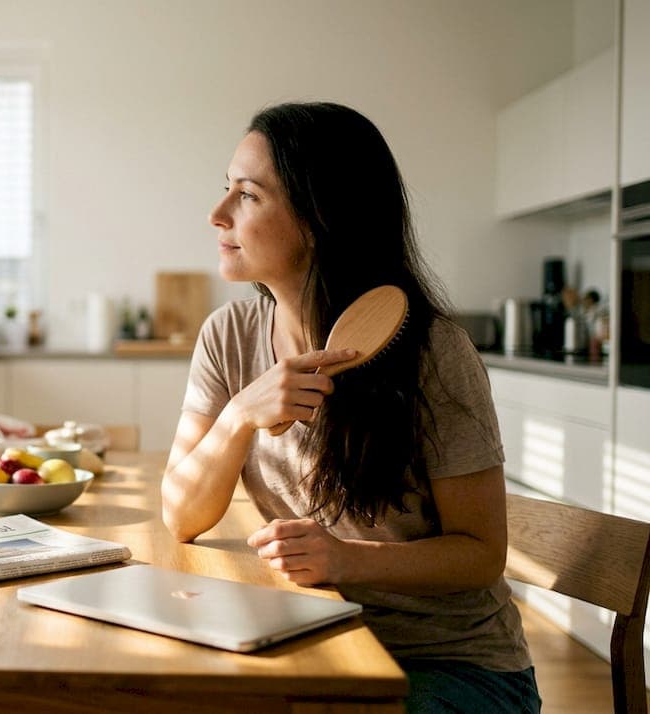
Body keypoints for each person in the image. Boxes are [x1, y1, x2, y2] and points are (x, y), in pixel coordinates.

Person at [160, 102, 539, 714]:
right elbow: (180, 517)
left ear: (318, 219)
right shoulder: (228, 336)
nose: (217, 213)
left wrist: (343, 558)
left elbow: (481, 553)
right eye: (225, 188)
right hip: (316, 638)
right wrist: (239, 417)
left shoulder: (434, 351)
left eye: (248, 195)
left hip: (450, 665)